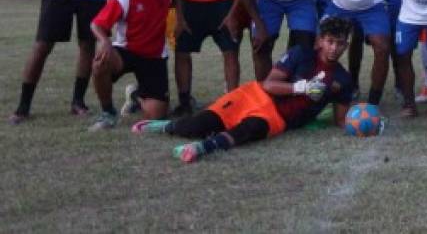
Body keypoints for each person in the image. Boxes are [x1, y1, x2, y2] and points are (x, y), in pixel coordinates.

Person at [131, 17, 356, 164]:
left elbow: (341, 120)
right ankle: (167, 126)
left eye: (340, 43)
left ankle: (203, 148)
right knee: (197, 125)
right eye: (330, 41)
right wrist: (303, 87)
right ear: (320, 41)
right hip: (254, 95)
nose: (334, 48)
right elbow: (269, 84)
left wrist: (364, 120)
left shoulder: (343, 79)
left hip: (277, 117)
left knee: (250, 130)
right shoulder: (301, 53)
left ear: (346, 45)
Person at [88, 0, 173, 130]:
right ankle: (108, 112)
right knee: (99, 63)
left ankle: (136, 95)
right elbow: (96, 24)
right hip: (127, 51)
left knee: (156, 116)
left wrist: (180, 20)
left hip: (154, 57)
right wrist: (104, 41)